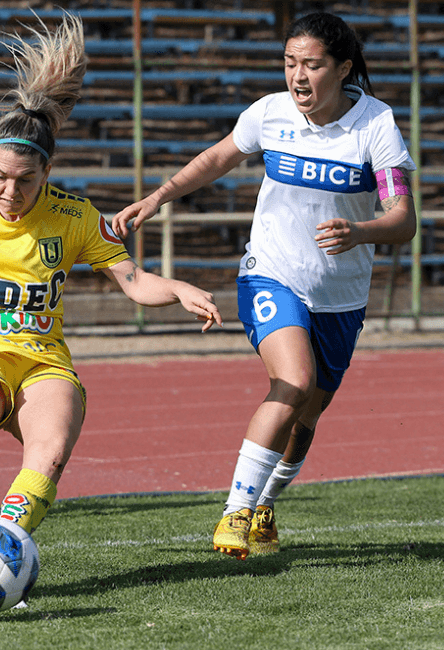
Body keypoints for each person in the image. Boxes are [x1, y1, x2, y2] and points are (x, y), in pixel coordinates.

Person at [0, 12, 222, 592]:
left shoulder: (75, 217)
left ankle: (2, 552)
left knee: (49, 453)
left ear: (47, 171)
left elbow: (131, 281)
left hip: (42, 360)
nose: (9, 191)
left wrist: (174, 289)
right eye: (0, 175)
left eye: (25, 179)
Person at [113, 12, 417, 559]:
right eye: (289, 63)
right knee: (293, 381)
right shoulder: (271, 113)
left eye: (312, 65)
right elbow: (217, 158)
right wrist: (159, 197)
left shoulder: (376, 126)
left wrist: (360, 231)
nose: (298, 76)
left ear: (343, 67)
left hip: (340, 299)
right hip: (270, 275)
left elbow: (404, 219)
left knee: (306, 418)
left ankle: (265, 500)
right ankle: (234, 512)